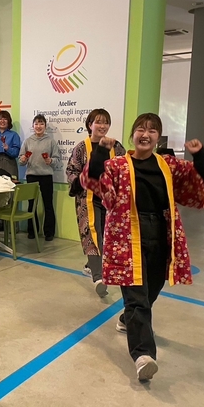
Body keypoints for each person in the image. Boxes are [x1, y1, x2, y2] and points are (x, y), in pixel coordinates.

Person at [81, 113, 204, 381]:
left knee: (151, 290)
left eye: (152, 131)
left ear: (158, 137)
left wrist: (201, 155)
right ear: (132, 135)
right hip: (126, 238)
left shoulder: (168, 165)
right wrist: (100, 151)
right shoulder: (117, 165)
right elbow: (91, 180)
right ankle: (143, 355)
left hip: (160, 234)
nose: (145, 135)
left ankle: (127, 320)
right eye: (140, 129)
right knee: (136, 297)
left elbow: (200, 181)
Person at [66, 109, 125, 296]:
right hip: (88, 199)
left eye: (106, 122)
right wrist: (80, 182)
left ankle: (91, 264)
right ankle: (98, 278)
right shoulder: (81, 148)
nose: (102, 126)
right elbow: (71, 170)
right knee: (91, 235)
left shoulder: (116, 146)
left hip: (111, 200)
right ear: (89, 124)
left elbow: (125, 167)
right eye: (98, 122)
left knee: (108, 235)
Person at [18, 114, 61, 241]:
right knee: (32, 205)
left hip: (46, 176)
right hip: (31, 176)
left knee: (48, 205)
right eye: (36, 123)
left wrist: (51, 161)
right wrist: (23, 159)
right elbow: (20, 160)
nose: (38, 126)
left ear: (45, 126)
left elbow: (57, 159)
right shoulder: (28, 141)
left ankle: (49, 232)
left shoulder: (50, 141)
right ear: (33, 126)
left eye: (41, 123)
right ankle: (32, 231)